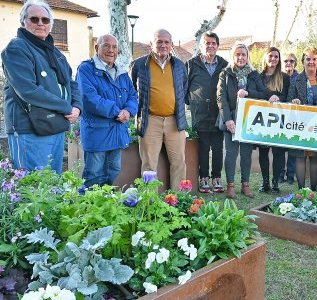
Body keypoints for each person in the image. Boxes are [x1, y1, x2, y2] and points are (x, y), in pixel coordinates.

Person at [1, 0, 82, 174]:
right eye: (34, 19)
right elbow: (28, 90)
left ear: (50, 25)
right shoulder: (16, 48)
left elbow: (71, 82)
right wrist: (66, 107)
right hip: (29, 129)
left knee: (52, 184)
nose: (40, 23)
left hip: (55, 124)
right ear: (23, 21)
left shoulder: (55, 52)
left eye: (45, 20)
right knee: (33, 188)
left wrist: (77, 106)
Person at [76, 34, 138, 187]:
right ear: (97, 48)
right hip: (97, 133)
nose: (111, 50)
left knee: (113, 171)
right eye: (106, 46)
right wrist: (118, 112)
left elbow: (133, 95)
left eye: (115, 47)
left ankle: (107, 205)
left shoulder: (122, 72)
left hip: (117, 133)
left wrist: (128, 111)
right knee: (94, 175)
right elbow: (89, 99)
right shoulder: (86, 69)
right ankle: (90, 207)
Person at [131, 29, 188, 191]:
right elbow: (132, 89)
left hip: (174, 121)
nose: (163, 45)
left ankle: (177, 200)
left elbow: (183, 88)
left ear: (171, 44)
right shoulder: (139, 64)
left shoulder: (179, 65)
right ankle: (150, 203)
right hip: (150, 120)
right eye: (159, 42)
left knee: (178, 163)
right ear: (151, 44)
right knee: (149, 164)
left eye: (166, 42)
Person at [217, 44, 266, 198]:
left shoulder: (253, 74)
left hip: (248, 121)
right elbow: (221, 97)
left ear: (247, 56)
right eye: (237, 54)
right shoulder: (225, 73)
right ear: (233, 56)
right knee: (231, 153)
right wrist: (228, 120)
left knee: (246, 154)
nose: (240, 57)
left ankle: (245, 185)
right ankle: (230, 185)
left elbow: (262, 93)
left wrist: (248, 92)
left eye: (243, 54)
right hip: (231, 119)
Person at [185, 32, 228, 193]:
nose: (210, 46)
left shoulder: (224, 64)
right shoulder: (191, 64)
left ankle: (216, 177)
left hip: (219, 113)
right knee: (202, 148)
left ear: (217, 45)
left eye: (213, 43)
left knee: (217, 148)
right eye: (207, 43)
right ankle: (203, 178)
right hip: (200, 113)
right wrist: (193, 103)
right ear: (202, 45)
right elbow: (184, 87)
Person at [287, 46, 317, 191]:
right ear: (303, 61)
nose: (311, 62)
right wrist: (294, 101)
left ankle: (314, 190)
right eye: (308, 59)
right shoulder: (297, 79)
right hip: (300, 124)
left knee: (315, 156)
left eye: (314, 59)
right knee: (300, 156)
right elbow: (289, 99)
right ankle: (301, 190)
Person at [258, 47, 290, 194]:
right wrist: (266, 99)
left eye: (276, 56)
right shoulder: (258, 76)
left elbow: (287, 96)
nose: (273, 59)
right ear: (266, 58)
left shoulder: (284, 77)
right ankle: (265, 182)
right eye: (270, 56)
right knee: (263, 152)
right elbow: (256, 95)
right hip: (262, 121)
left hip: (280, 120)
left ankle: (276, 182)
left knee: (278, 152)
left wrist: (279, 98)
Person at [278, 52, 299, 184]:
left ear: (295, 63)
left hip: (296, 117)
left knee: (293, 147)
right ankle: (280, 174)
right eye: (285, 61)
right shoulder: (278, 77)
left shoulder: (300, 78)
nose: (288, 63)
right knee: (280, 147)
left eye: (291, 61)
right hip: (280, 116)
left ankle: (291, 175)